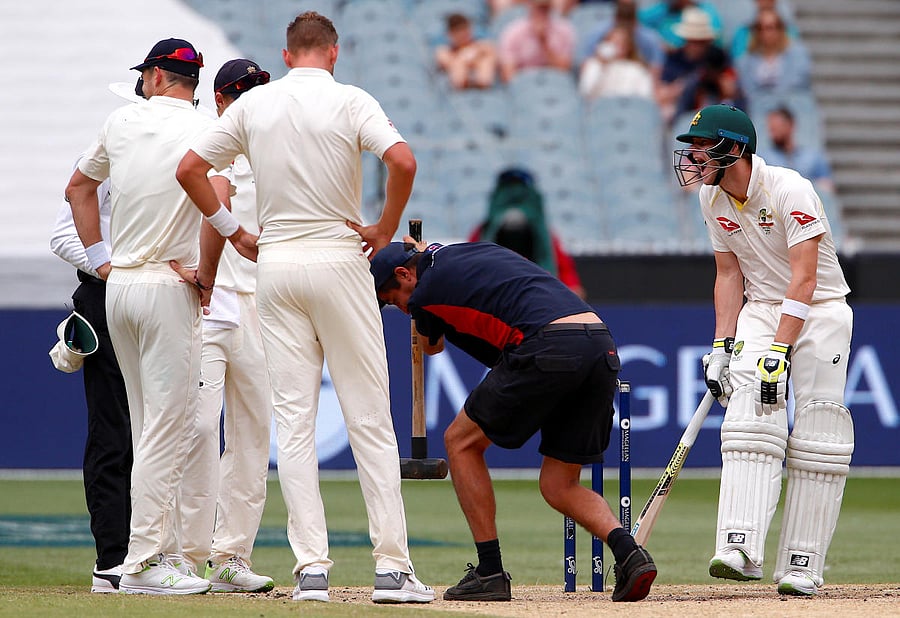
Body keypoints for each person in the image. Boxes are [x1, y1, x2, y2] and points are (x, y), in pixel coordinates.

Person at [173, 11, 434, 604]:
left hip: (277, 265)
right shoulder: (351, 99)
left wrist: (232, 230)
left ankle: (311, 569)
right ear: (334, 54)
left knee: (294, 426)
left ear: (287, 56)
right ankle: (392, 569)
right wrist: (386, 227)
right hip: (340, 257)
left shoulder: (251, 106)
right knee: (369, 419)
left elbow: (190, 169)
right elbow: (404, 161)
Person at [370, 240, 657, 603]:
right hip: (599, 342)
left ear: (404, 273)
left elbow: (432, 346)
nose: (399, 306)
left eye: (393, 297)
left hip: (546, 341)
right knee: (559, 484)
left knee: (460, 442)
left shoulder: (424, 293)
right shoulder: (469, 251)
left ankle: (489, 571)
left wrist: (419, 314)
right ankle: (630, 553)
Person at [64, 37, 227, 595]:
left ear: (156, 77)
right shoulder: (206, 130)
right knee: (169, 425)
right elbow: (215, 203)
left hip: (121, 288)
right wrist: (206, 274)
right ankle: (140, 562)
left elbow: (78, 188)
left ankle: (157, 554)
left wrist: (100, 261)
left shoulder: (121, 122)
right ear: (190, 83)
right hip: (165, 285)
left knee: (145, 423)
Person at [673, 104, 853, 596]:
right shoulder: (712, 200)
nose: (691, 157)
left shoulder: (790, 189)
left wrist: (781, 348)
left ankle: (803, 564)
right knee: (748, 416)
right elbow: (729, 275)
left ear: (733, 148)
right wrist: (721, 345)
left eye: (700, 147)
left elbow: (806, 277)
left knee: (819, 433)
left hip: (820, 309)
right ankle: (741, 546)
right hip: (761, 306)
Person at [175, 58, 275, 593]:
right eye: (243, 95)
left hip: (258, 306)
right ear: (220, 101)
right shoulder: (210, 143)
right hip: (208, 301)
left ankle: (230, 555)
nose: (254, 102)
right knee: (195, 427)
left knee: (253, 434)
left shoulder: (274, 149)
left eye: (261, 92)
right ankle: (186, 558)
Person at [50, 174, 132, 594]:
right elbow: (63, 235)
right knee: (113, 433)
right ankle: (113, 558)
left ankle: (159, 552)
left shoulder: (186, 144)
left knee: (167, 433)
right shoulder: (105, 154)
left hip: (167, 298)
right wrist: (113, 268)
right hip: (108, 297)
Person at [468, 168, 586, 298]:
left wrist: (571, 289)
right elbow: (469, 264)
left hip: (537, 296)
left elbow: (563, 268)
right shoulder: (482, 232)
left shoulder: (546, 235)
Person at [656, 7, 731, 124]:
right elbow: (661, 95)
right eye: (692, 41)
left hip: (714, 110)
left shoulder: (717, 58)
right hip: (682, 113)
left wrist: (717, 80)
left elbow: (731, 89)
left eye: (701, 41)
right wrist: (686, 84)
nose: (696, 46)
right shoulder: (674, 59)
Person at [735, 8, 811, 101]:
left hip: (791, 106)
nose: (765, 33)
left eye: (769, 28)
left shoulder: (797, 54)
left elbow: (797, 82)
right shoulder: (747, 59)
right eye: (760, 28)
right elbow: (747, 87)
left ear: (780, 29)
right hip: (758, 108)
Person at [577, 0, 665, 79]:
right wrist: (601, 61)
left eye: (629, 22)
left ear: (635, 21)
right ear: (615, 19)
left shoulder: (649, 39)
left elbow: (656, 68)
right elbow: (585, 66)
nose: (625, 27)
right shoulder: (598, 34)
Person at [757, 105, 834, 192]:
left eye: (777, 128)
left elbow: (827, 188)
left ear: (791, 125)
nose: (773, 134)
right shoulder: (763, 159)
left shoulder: (813, 157)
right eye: (771, 130)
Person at [497, 0, 576, 83]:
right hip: (524, 85)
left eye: (545, 8)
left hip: (555, 83)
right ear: (530, 6)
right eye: (538, 8)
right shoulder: (513, 32)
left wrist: (543, 42)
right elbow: (508, 75)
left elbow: (564, 70)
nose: (542, 12)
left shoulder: (564, 30)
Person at [578, 24, 656, 100]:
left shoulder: (637, 69)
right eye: (613, 42)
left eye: (620, 43)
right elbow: (586, 91)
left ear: (627, 47)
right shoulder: (594, 65)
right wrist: (601, 65)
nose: (616, 46)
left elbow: (645, 97)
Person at [435, 13, 498, 89]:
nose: (463, 35)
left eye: (465, 30)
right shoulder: (445, 50)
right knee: (458, 64)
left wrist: (474, 56)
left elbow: (493, 51)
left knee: (486, 61)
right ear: (450, 34)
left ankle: (482, 84)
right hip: (458, 84)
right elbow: (444, 60)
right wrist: (463, 58)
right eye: (458, 32)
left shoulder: (481, 45)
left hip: (483, 81)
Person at [638, 0, 723, 50]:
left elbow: (717, 40)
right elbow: (636, 21)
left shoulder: (707, 13)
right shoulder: (663, 9)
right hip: (667, 63)